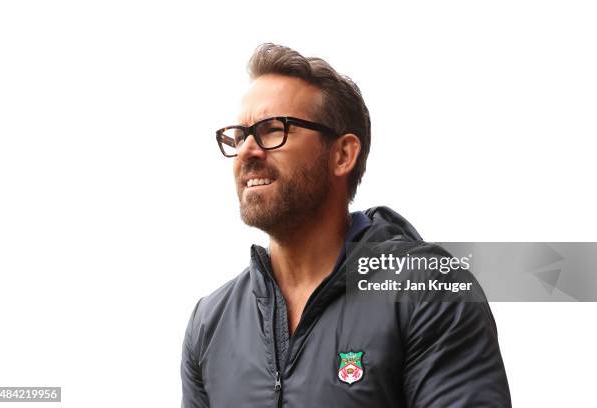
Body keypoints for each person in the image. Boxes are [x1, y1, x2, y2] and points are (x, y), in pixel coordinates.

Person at [181, 43, 511, 407]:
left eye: (273, 129)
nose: (247, 150)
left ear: (342, 155)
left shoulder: (428, 290)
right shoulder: (210, 323)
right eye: (239, 136)